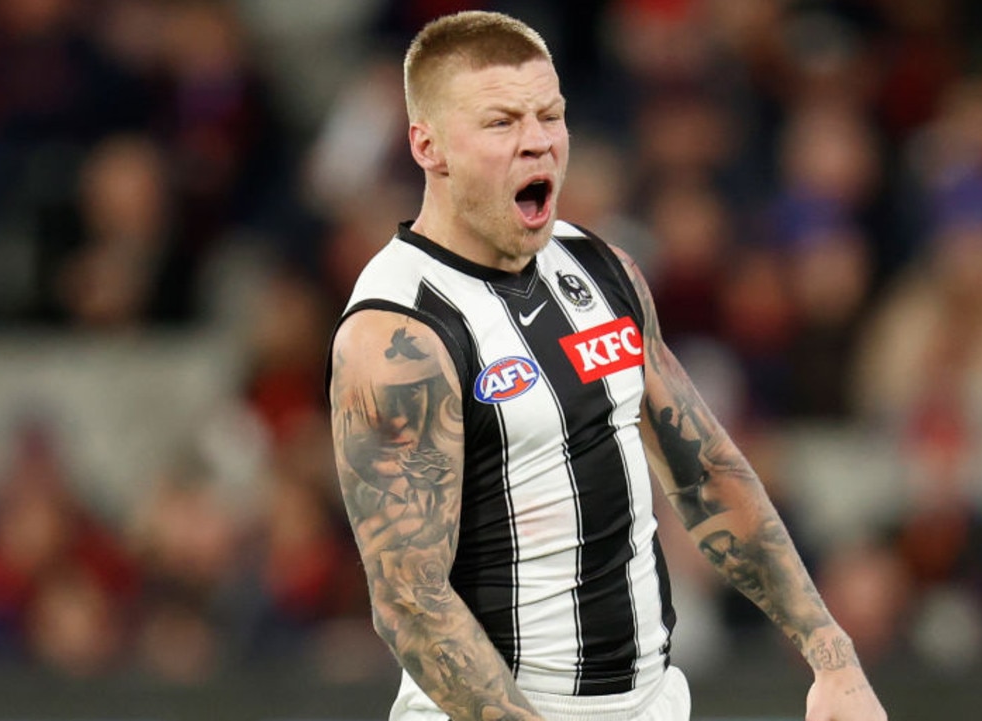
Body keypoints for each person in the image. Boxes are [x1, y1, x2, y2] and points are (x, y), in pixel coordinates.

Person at [327, 11, 887, 721]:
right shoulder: (396, 332)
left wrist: (831, 654)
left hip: (650, 700)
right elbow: (410, 600)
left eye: (549, 115)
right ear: (427, 144)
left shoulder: (599, 266)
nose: (537, 142)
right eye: (501, 123)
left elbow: (705, 468)